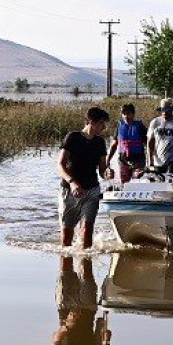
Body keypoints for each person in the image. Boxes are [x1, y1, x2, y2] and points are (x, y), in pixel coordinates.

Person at [57, 106, 113, 249]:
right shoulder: (72, 137)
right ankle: (67, 268)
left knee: (88, 231)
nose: (103, 127)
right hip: (70, 190)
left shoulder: (100, 142)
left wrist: (107, 173)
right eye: (101, 123)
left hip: (92, 190)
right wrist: (72, 183)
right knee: (67, 238)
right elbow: (60, 165)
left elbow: (102, 169)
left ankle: (86, 266)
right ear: (91, 122)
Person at [53, 256, 111, 345]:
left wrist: (68, 325)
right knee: (87, 270)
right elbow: (99, 322)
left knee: (66, 267)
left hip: (66, 308)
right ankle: (85, 245)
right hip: (88, 308)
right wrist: (105, 333)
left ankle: (68, 243)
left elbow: (56, 340)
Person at [146, 99, 173, 179]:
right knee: (159, 182)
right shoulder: (155, 122)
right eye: (163, 110)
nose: (165, 112)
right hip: (158, 160)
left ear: (172, 110)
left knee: (170, 179)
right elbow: (150, 142)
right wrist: (150, 160)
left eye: (167, 110)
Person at [107, 103, 147, 183]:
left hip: (138, 161)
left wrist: (150, 160)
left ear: (133, 114)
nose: (126, 116)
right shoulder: (120, 127)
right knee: (124, 184)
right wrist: (108, 159)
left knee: (138, 182)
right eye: (124, 114)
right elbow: (114, 144)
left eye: (128, 113)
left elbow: (148, 144)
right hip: (123, 161)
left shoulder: (140, 126)